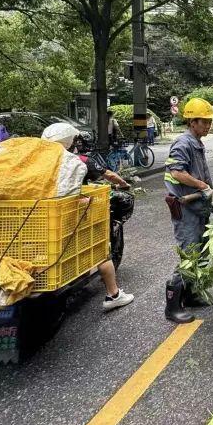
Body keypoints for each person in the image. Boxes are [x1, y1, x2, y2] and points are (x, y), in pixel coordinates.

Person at [41, 123, 134, 312]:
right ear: (70, 141)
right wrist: (124, 184)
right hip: (70, 214)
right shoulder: (75, 161)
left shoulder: (37, 161)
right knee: (99, 248)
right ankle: (113, 294)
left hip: (41, 216)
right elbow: (98, 179)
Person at [163, 98, 213, 323]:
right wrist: (201, 185)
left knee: (200, 253)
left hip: (198, 208)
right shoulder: (183, 143)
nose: (208, 126)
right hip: (186, 209)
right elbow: (176, 172)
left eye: (209, 122)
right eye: (203, 122)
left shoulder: (196, 142)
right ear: (191, 121)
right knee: (188, 254)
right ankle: (172, 306)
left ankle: (191, 294)